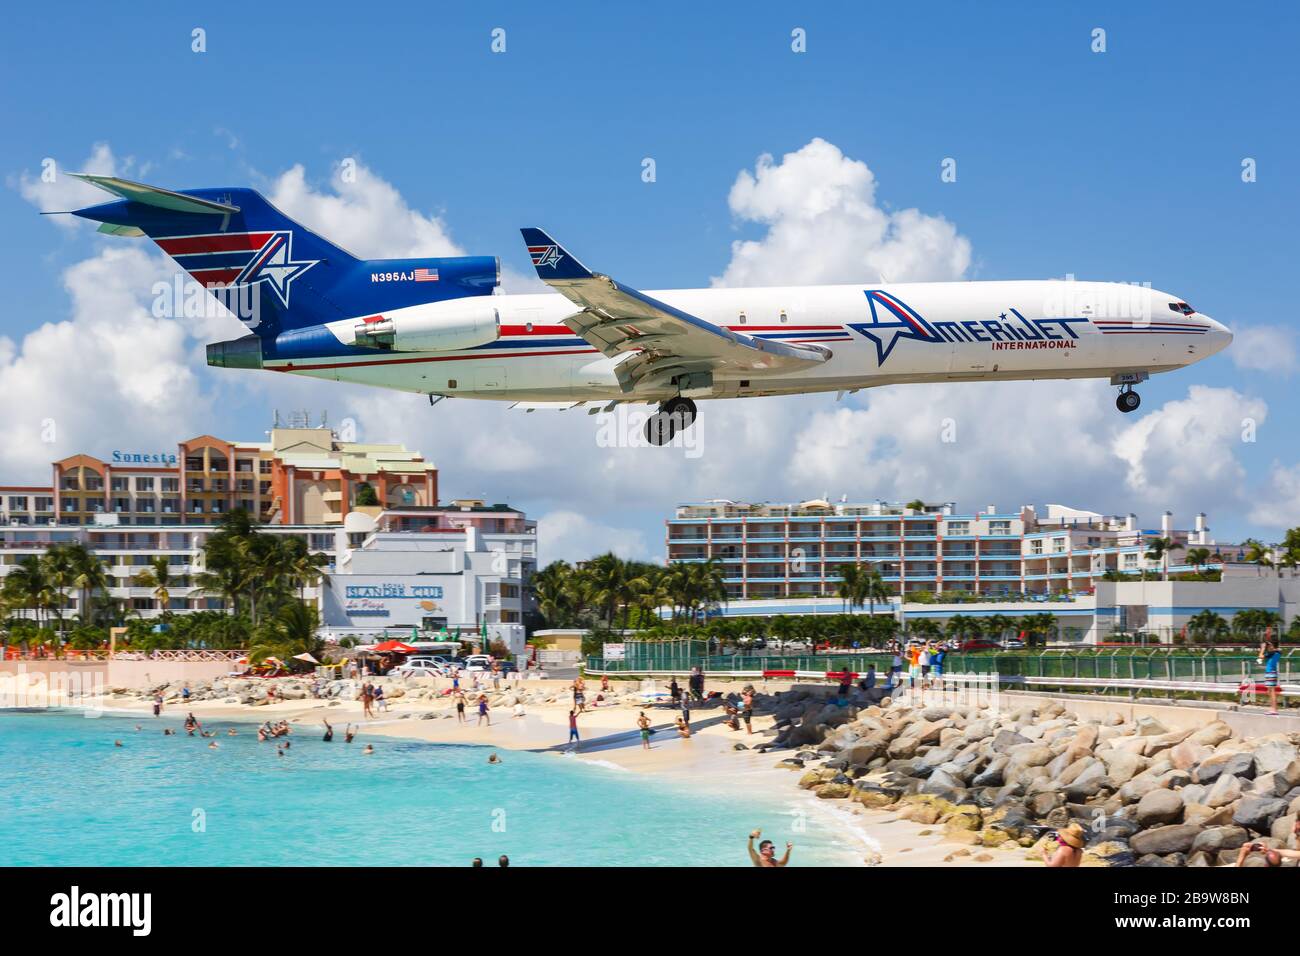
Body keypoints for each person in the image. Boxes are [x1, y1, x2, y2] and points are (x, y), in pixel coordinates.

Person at [1259, 640, 1282, 715]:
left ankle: (1274, 709)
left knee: (1272, 692)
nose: (1268, 647)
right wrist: (1269, 646)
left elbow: (1260, 656)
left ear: (1273, 646)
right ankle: (1273, 709)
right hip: (1271, 673)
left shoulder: (1272, 653)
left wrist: (1262, 648)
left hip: (1271, 673)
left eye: (1270, 645)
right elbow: (1277, 650)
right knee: (1269, 691)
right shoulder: (1277, 652)